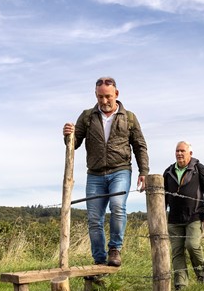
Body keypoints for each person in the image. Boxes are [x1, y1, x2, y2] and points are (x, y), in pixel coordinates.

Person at [63, 77, 149, 268]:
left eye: (108, 96)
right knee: (94, 219)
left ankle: (115, 249)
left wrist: (144, 171)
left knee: (118, 206)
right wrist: (68, 134)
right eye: (100, 96)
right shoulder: (87, 117)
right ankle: (100, 260)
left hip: (120, 170)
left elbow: (140, 146)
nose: (104, 101)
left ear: (116, 94)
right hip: (94, 174)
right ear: (96, 95)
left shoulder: (129, 117)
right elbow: (74, 144)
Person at [163, 141, 204, 290]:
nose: (179, 154)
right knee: (177, 251)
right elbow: (163, 197)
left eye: (182, 151)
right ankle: (181, 285)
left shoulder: (199, 168)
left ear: (190, 153)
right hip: (174, 219)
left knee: (192, 245)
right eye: (177, 151)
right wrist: (161, 218)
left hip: (195, 215)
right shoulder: (168, 172)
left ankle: (201, 273)